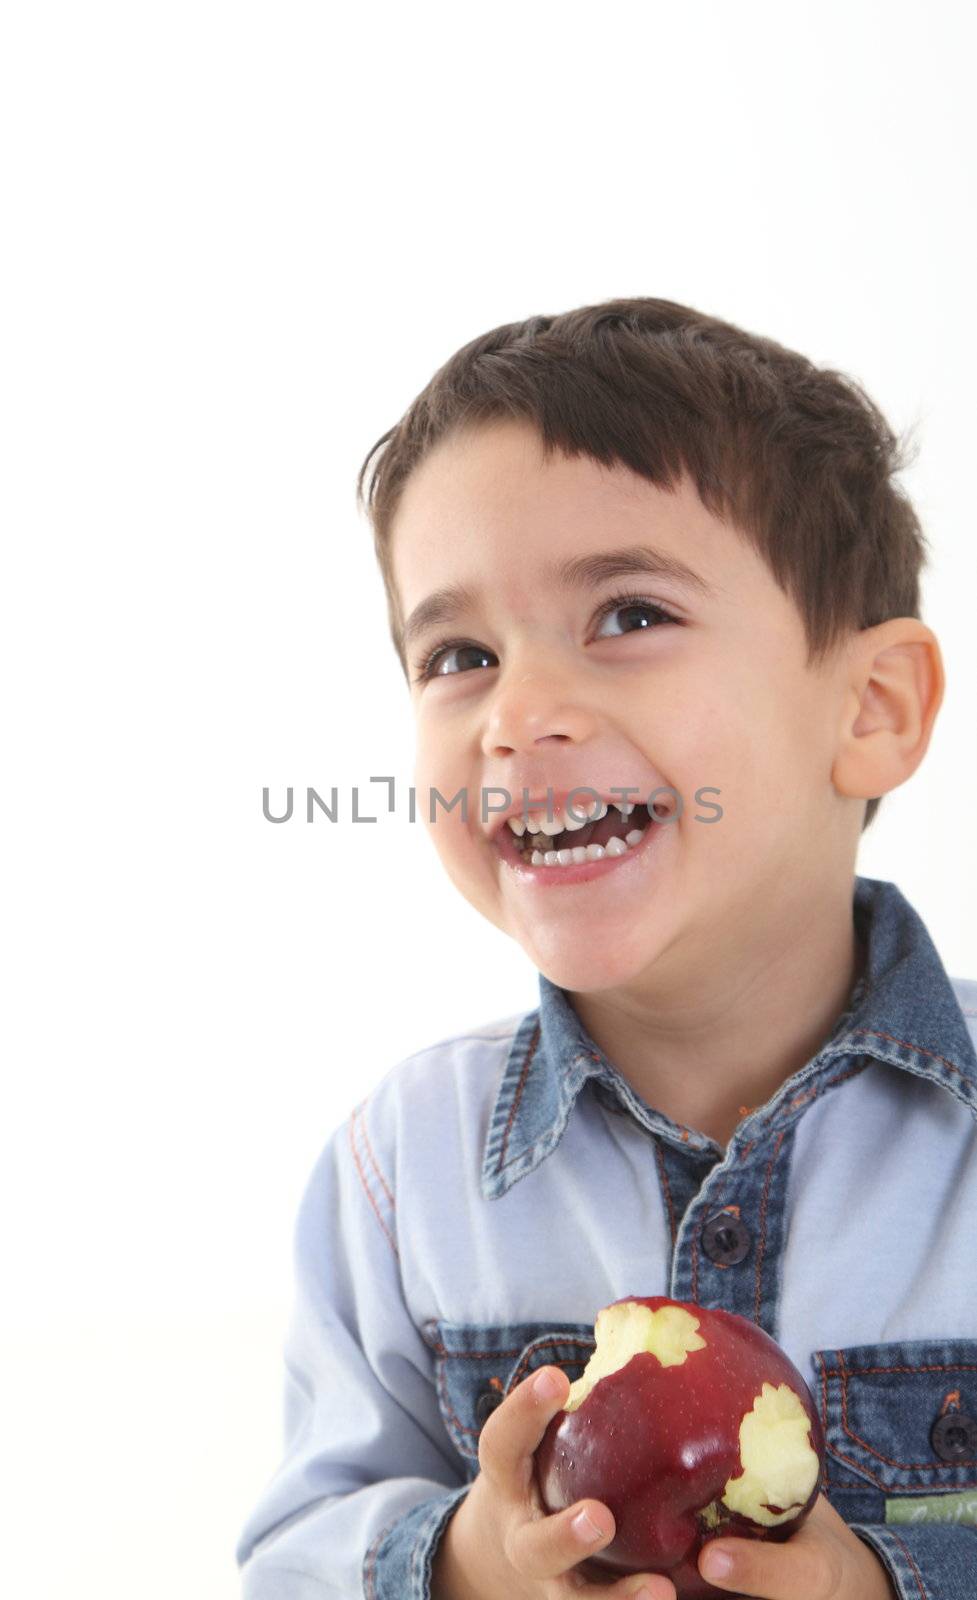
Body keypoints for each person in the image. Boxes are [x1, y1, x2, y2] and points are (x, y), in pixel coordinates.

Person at [236, 298, 977, 1600]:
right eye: (458, 654)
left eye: (627, 617)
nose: (515, 717)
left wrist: (882, 1583)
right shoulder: (407, 1165)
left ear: (868, 710)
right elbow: (295, 1551)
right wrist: (465, 1563)